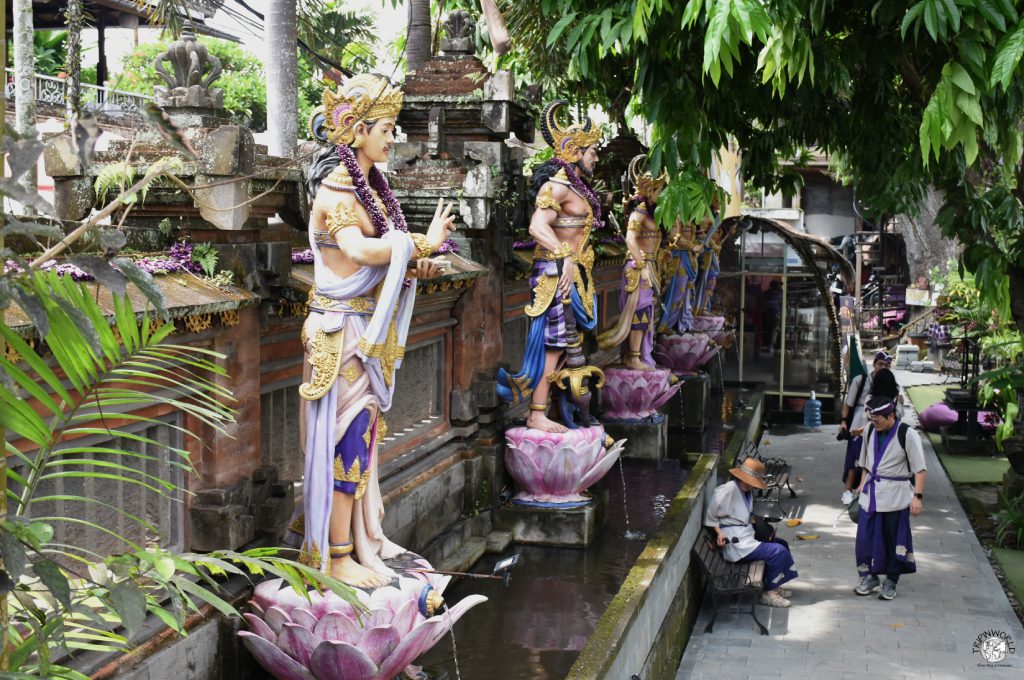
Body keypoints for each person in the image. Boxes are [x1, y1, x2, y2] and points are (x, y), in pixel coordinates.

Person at [289, 74, 456, 588]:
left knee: (364, 438)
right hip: (339, 335)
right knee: (347, 440)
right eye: (386, 129)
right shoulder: (335, 194)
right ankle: (337, 556)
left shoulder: (375, 193)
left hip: (362, 330)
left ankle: (356, 543)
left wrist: (414, 266)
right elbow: (359, 252)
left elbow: (382, 261)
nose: (392, 138)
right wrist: (421, 244)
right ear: (357, 131)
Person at [496, 99, 603, 432]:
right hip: (555, 274)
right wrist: (564, 254)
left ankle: (554, 409)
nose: (596, 158)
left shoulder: (574, 187)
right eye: (592, 151)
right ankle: (537, 413)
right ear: (574, 151)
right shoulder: (556, 186)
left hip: (573, 275)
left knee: (567, 345)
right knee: (553, 345)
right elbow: (536, 227)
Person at [854, 395, 927, 600]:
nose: (874, 423)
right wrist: (861, 485)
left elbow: (920, 469)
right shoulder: (870, 430)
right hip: (870, 494)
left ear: (891, 416)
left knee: (893, 539)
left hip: (896, 496)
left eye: (877, 419)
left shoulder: (908, 434)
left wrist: (917, 497)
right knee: (865, 539)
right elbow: (865, 463)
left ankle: (891, 580)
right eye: (872, 419)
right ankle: (869, 577)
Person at [598, 154, 666, 370]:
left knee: (647, 311)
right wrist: (642, 266)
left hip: (649, 265)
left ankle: (640, 355)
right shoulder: (639, 213)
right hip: (638, 268)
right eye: (659, 190)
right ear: (649, 190)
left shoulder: (654, 213)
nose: (662, 194)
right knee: (639, 310)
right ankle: (634, 357)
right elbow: (630, 240)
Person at [704, 457, 799, 608]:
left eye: (751, 481)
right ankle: (768, 593)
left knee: (782, 544)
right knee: (778, 551)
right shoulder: (728, 489)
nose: (748, 484)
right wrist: (719, 532)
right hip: (736, 543)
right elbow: (711, 515)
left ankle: (773, 585)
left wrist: (752, 520)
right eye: (746, 480)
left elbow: (738, 513)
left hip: (745, 535)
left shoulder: (745, 491)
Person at [838, 351, 892, 505]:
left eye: (887, 365)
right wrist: (843, 421)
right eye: (880, 364)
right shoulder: (860, 381)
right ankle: (847, 491)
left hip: (879, 427)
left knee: (872, 459)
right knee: (854, 459)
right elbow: (848, 403)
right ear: (874, 364)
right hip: (859, 423)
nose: (883, 368)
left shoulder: (889, 383)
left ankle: (866, 490)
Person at [760, 280, 783, 351]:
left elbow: (762, 299)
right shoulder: (779, 293)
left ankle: (768, 345)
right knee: (775, 329)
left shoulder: (767, 293)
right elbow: (781, 300)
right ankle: (771, 346)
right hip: (775, 313)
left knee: (768, 330)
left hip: (767, 313)